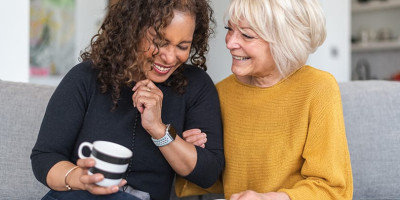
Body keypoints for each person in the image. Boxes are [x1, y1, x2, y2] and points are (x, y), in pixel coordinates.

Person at [30, 0, 224, 200]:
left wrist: (159, 130)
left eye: (182, 46)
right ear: (132, 31)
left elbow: (208, 173)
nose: (169, 57)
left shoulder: (195, 86)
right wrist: (79, 178)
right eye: (159, 43)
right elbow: (45, 157)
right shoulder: (85, 78)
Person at [184, 0, 353, 199]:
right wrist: (195, 153)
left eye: (247, 35)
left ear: (285, 41)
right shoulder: (220, 93)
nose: (230, 43)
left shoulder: (317, 89)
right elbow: (209, 180)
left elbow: (332, 190)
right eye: (229, 29)